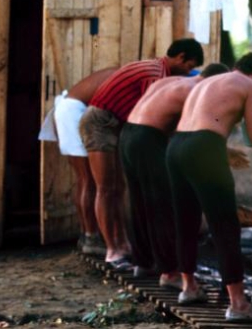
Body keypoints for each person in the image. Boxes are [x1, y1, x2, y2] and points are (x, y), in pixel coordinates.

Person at [120, 62, 244, 303]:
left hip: (129, 133)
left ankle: (143, 262)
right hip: (148, 138)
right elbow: (196, 128)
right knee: (162, 205)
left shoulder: (173, 81)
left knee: (140, 203)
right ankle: (170, 272)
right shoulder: (196, 92)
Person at [166, 52, 252, 322]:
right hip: (204, 148)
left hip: (176, 146)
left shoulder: (207, 82)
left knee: (185, 220)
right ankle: (238, 304)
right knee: (225, 225)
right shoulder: (248, 85)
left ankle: (189, 287)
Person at [79, 39, 204, 271]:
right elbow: (151, 117)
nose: (188, 73)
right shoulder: (155, 74)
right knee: (106, 188)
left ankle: (122, 243)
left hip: (116, 123)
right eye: (189, 66)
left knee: (118, 188)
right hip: (100, 122)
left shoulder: (158, 70)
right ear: (180, 57)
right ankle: (112, 250)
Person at [52, 67, 117, 255]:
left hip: (69, 110)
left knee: (84, 179)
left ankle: (87, 234)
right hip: (73, 113)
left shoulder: (124, 72)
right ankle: (91, 237)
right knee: (89, 179)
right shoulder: (129, 76)